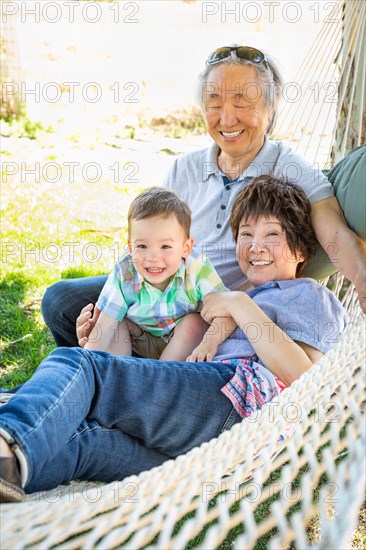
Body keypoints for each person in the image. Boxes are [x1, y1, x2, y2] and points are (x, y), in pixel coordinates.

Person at [0, 176, 347, 503]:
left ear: (301, 250)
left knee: (77, 363)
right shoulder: (233, 298)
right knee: (85, 443)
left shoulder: (309, 295)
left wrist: (240, 305)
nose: (256, 246)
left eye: (272, 234)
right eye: (245, 234)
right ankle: (11, 468)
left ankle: (7, 441)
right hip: (208, 458)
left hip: (237, 407)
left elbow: (305, 381)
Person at [41, 46, 365, 348]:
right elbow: (150, 240)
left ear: (272, 104)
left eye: (242, 103)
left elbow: (334, 232)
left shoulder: (290, 169)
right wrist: (113, 306)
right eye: (214, 103)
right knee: (62, 302)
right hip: (160, 291)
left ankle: (111, 379)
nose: (226, 119)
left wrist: (363, 281)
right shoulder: (185, 168)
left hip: (214, 314)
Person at [84, 186, 234, 361]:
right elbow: (102, 330)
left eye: (165, 247)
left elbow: (227, 313)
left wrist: (209, 343)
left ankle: (162, 376)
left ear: (185, 248)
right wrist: (88, 360)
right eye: (142, 246)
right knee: (114, 325)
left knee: (193, 323)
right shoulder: (124, 273)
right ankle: (117, 373)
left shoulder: (197, 269)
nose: (153, 257)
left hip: (183, 344)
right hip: (138, 339)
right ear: (131, 248)